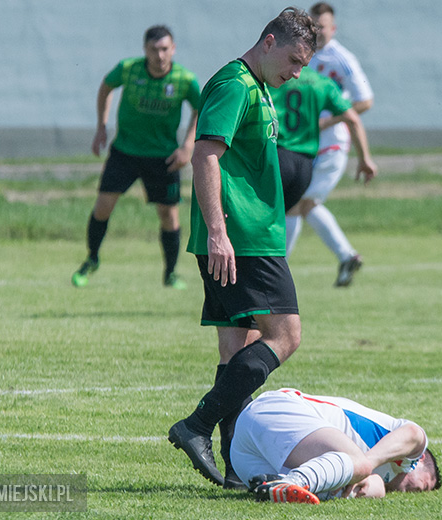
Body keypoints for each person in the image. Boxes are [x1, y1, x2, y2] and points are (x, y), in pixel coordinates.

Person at [167, 8, 318, 491]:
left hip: (248, 235)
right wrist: (218, 231)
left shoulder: (262, 87)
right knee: (286, 335)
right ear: (269, 41)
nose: (296, 72)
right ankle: (195, 425)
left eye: (303, 65)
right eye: (293, 60)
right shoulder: (235, 83)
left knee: (240, 346)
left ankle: (235, 468)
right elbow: (205, 152)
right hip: (242, 237)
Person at [71, 25, 201, 289]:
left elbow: (201, 108)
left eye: (164, 49)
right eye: (154, 49)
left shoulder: (184, 79)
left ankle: (170, 274)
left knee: (168, 215)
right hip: (125, 152)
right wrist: (101, 126)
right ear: (145, 50)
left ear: (173, 49)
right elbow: (106, 87)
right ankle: (92, 259)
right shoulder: (129, 69)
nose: (159, 55)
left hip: (163, 156)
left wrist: (188, 145)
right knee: (103, 207)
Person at [231, 388, 442, 504]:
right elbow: (414, 435)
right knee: (360, 465)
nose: (414, 492)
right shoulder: (408, 452)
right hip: (274, 410)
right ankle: (293, 482)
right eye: (424, 486)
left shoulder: (380, 481)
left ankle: (281, 484)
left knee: (371, 486)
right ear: (422, 459)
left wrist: (367, 481)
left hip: (247, 458)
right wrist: (362, 467)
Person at [293, 2, 376, 287]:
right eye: (312, 25)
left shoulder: (341, 59)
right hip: (303, 143)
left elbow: (365, 101)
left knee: (302, 203)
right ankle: (346, 256)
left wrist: (327, 120)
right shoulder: (302, 54)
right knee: (300, 203)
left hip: (332, 143)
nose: (317, 31)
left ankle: (279, 266)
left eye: (322, 26)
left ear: (333, 28)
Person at [271, 66, 376, 255]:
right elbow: (352, 119)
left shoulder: (275, 80)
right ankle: (279, 268)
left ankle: (270, 268)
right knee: (296, 208)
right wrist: (364, 158)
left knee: (266, 217)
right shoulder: (321, 82)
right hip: (304, 162)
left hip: (278, 155)